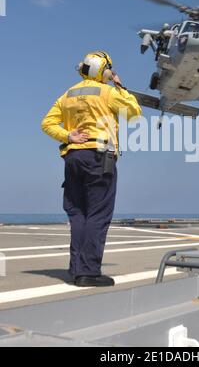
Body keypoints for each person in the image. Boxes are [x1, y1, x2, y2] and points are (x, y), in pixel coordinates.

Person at [41, 51, 142, 287]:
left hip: (73, 157)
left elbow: (46, 123)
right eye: (109, 69)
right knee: (98, 214)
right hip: (99, 158)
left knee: (78, 214)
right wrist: (120, 86)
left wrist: (67, 135)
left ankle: (76, 269)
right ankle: (89, 272)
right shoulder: (107, 91)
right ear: (103, 70)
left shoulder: (68, 94)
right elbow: (134, 114)